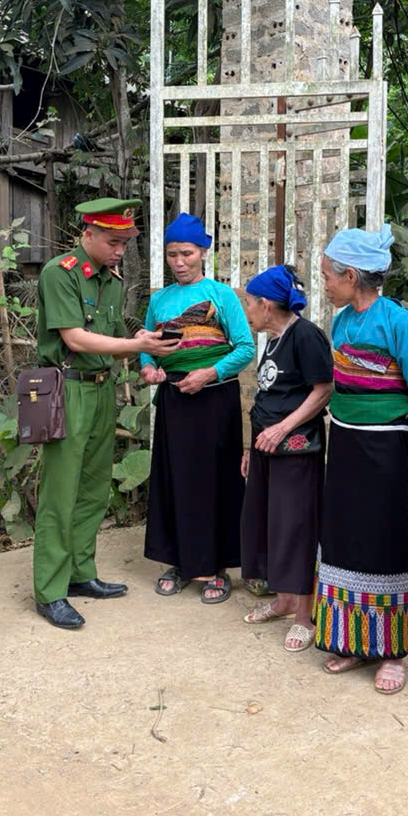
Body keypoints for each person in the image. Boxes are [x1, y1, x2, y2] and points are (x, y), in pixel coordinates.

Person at [32, 198, 180, 629]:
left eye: (125, 244)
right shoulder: (59, 274)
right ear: (88, 234)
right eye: (113, 243)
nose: (120, 251)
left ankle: (80, 573)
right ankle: (50, 591)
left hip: (101, 390)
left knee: (94, 488)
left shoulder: (110, 280)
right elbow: (76, 339)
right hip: (66, 391)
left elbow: (115, 334)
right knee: (61, 492)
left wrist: (146, 346)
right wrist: (138, 346)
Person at [314, 228, 408, 694]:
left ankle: (390, 651)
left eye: (328, 277)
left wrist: (400, 446)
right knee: (342, 535)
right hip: (345, 443)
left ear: (350, 276)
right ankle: (349, 640)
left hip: (385, 447)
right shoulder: (342, 323)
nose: (325, 285)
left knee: (384, 540)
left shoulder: (400, 325)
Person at [141, 214, 255, 604]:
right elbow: (147, 346)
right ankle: (179, 561)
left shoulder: (221, 296)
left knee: (215, 479)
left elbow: (245, 348)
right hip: (175, 399)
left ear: (204, 253)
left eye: (187, 254)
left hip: (215, 400)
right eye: (172, 254)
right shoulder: (159, 300)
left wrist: (209, 373)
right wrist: (149, 368)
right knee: (174, 478)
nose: (179, 262)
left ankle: (217, 565)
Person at [238, 265, 332, 651]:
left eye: (248, 302)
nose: (246, 310)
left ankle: (303, 617)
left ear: (265, 304)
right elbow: (268, 396)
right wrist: (251, 447)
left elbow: (323, 389)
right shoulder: (274, 339)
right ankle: (283, 599)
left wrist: (282, 429)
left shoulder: (305, 335)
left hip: (296, 448)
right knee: (270, 522)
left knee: (296, 527)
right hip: (267, 448)